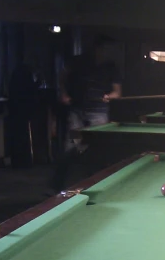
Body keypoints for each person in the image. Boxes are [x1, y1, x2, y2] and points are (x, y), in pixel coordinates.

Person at [50, 35, 122, 191]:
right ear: (98, 49)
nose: (111, 53)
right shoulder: (78, 61)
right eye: (108, 50)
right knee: (69, 148)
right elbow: (62, 77)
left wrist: (110, 96)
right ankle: (56, 188)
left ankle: (94, 186)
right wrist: (63, 93)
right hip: (77, 110)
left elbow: (117, 92)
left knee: (96, 151)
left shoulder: (111, 67)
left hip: (99, 112)